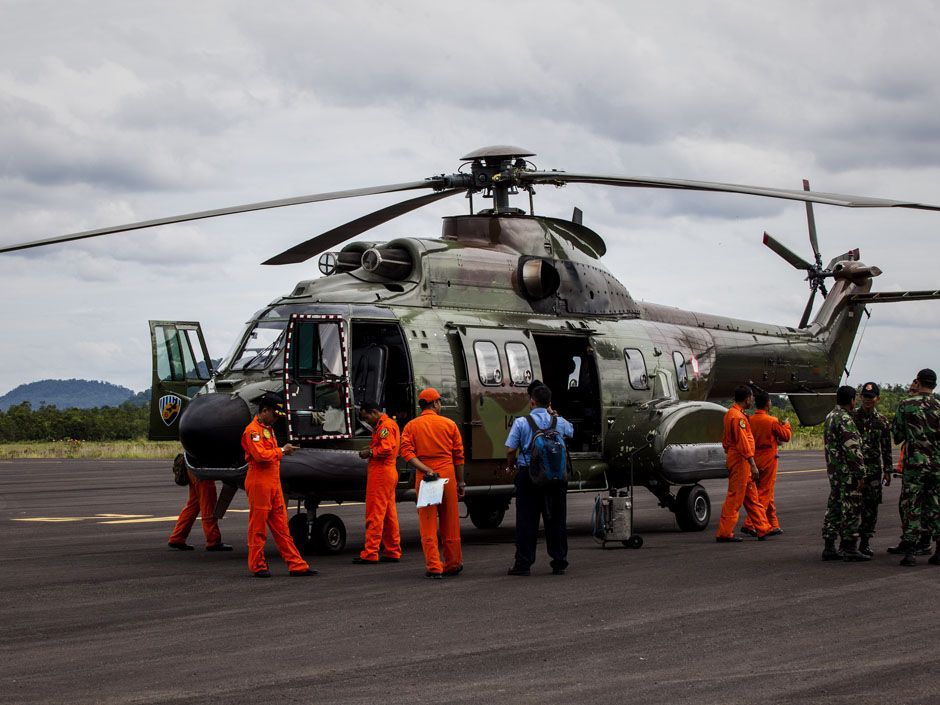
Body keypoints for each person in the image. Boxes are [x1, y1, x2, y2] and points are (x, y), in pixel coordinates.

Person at [241, 392, 316, 578]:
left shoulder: (267, 429)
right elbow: (260, 456)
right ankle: (257, 565)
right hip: (259, 482)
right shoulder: (253, 431)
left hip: (273, 483)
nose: (275, 419)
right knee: (258, 527)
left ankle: (296, 565)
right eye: (274, 414)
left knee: (282, 528)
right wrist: (282, 450)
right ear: (264, 411)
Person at [504, 382, 574, 576]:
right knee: (557, 519)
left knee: (527, 520)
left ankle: (523, 564)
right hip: (556, 477)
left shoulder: (521, 422)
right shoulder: (558, 422)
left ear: (531, 402)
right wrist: (553, 413)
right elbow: (571, 431)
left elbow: (511, 449)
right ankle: (559, 561)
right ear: (549, 402)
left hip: (529, 475)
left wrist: (511, 466)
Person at [399, 388, 465, 579]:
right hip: (448, 475)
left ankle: (434, 567)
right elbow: (458, 457)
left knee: (427, 523)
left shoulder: (411, 426)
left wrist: (425, 469)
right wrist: (460, 482)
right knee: (450, 521)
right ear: (435, 403)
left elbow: (407, 453)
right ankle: (453, 564)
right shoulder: (449, 424)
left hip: (426, 478)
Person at [889, 368, 940, 567]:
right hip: (936, 466)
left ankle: (910, 551)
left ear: (918, 382)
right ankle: (938, 550)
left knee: (912, 506)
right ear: (934, 385)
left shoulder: (906, 405)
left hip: (915, 466)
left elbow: (898, 435)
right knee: (935, 505)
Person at [715, 385, 772, 543]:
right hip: (741, 460)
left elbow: (726, 440)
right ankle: (725, 532)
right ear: (747, 398)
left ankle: (762, 528)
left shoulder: (731, 414)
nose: (752, 400)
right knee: (735, 497)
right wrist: (752, 463)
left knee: (751, 496)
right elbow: (742, 443)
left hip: (739, 459)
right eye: (751, 397)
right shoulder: (737, 417)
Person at [821, 385, 869, 561]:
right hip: (846, 472)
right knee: (851, 508)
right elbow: (853, 449)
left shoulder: (830, 416)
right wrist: (860, 474)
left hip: (834, 471)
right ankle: (848, 546)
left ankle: (829, 545)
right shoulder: (845, 419)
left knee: (834, 506)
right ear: (851, 400)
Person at [352, 400, 403, 565]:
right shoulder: (386, 425)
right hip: (388, 472)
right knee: (388, 514)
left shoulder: (385, 426)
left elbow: (387, 448)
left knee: (374, 513)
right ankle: (393, 550)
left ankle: (370, 552)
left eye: (367, 417)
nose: (367, 421)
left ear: (374, 412)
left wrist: (370, 452)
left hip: (381, 473)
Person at [852, 382, 893, 557]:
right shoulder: (852, 417)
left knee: (871, 507)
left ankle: (865, 542)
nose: (867, 400)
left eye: (871, 397)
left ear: (877, 399)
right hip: (855, 469)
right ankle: (849, 543)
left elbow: (886, 447)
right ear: (860, 397)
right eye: (865, 397)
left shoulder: (882, 421)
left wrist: (888, 470)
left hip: (874, 470)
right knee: (852, 506)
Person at [741, 391, 790, 538]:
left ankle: (773, 524)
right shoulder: (771, 421)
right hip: (768, 460)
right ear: (767, 403)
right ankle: (750, 524)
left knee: (766, 494)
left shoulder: (750, 419)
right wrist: (787, 425)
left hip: (754, 459)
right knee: (764, 494)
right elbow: (786, 437)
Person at [167, 453, 232, 552]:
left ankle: (177, 538)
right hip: (203, 471)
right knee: (208, 507)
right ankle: (213, 541)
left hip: (192, 468)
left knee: (193, 505)